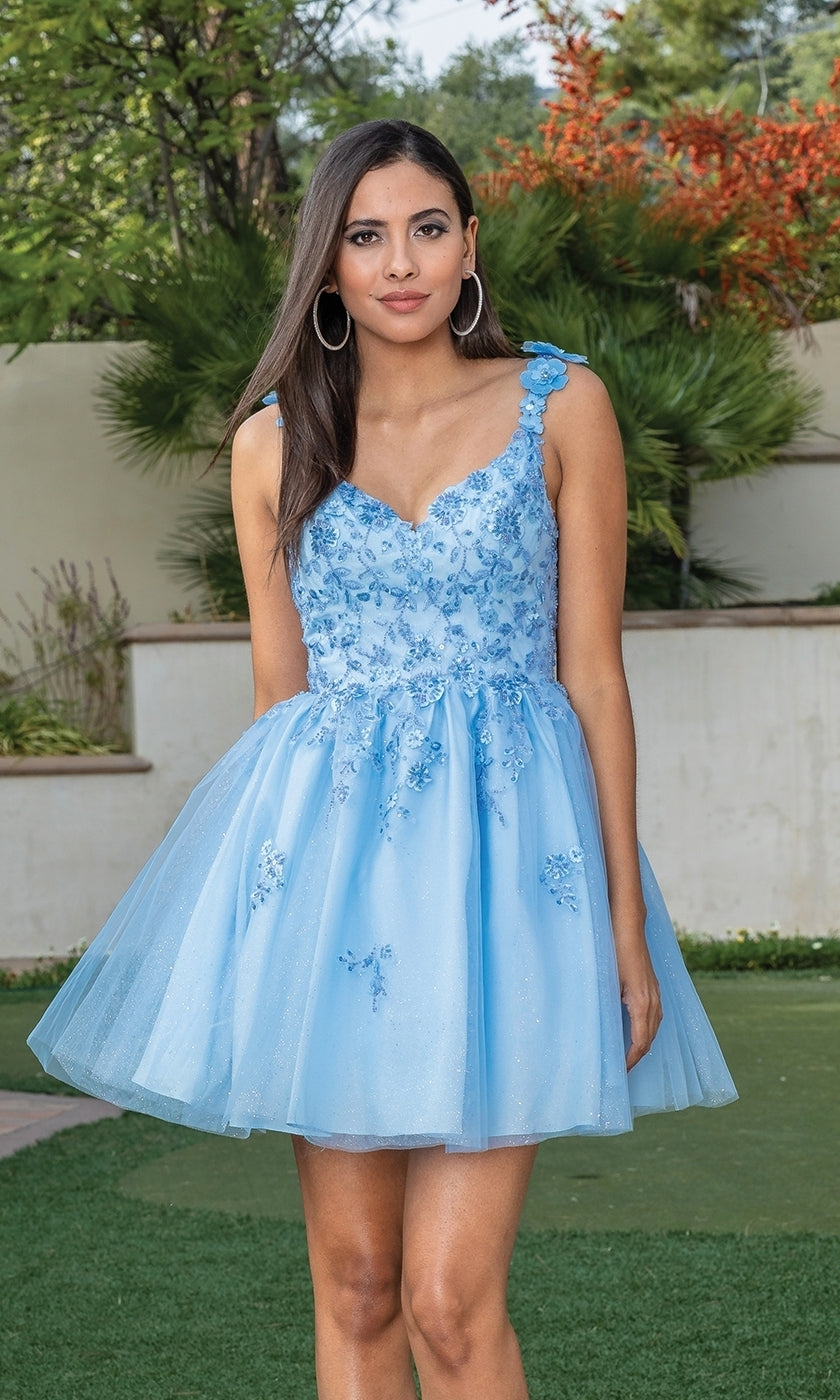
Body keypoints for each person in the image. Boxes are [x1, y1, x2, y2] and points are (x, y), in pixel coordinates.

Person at [29, 119, 737, 1399]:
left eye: (426, 227)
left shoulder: (560, 402)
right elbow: (277, 702)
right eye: (365, 235)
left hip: (514, 884)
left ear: (470, 245)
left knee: (450, 1305)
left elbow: (594, 677)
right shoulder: (269, 442)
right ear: (330, 266)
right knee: (356, 1286)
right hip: (329, 880)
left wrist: (626, 930)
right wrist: (256, 938)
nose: (399, 260)